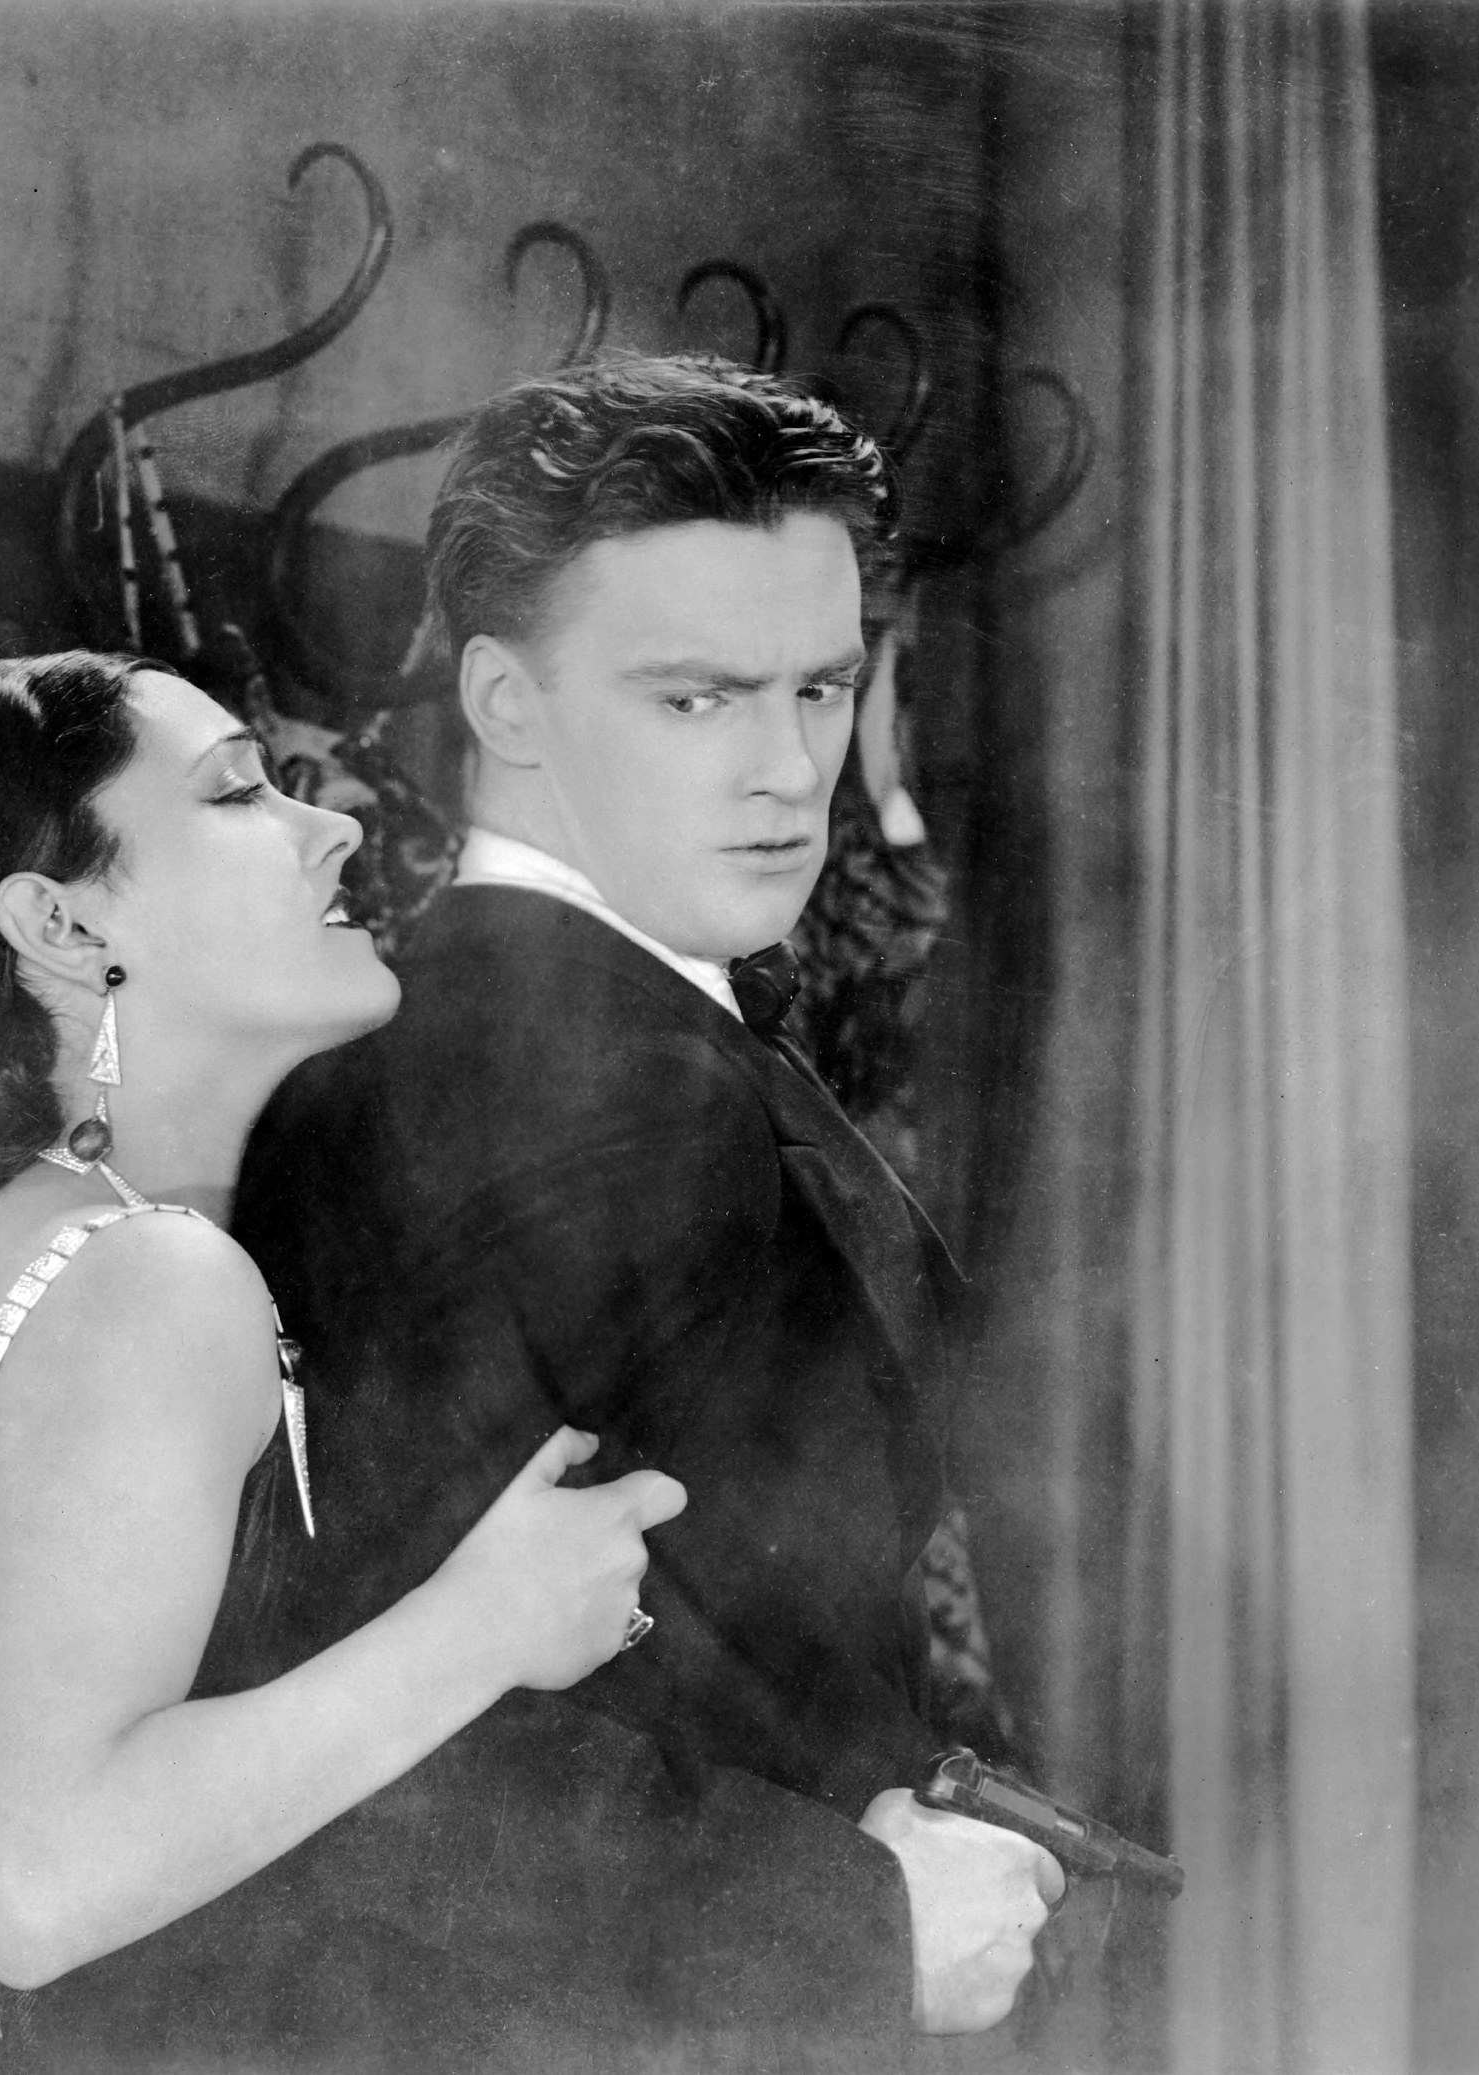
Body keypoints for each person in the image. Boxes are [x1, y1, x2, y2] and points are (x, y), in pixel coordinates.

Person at [233, 354, 1064, 2066]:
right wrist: (857, 1926)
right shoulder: (576, 1081)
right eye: (696, 700)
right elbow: (382, 1732)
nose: (789, 771)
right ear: (505, 702)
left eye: (820, 690)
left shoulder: (595, 1033)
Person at [0, 650, 687, 2066]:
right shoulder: (153, 1281)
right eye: (237, 795)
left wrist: (73, 1699)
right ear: (60, 921)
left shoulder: (33, 1241)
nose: (332, 822)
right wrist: (481, 1627)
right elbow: (30, 1894)